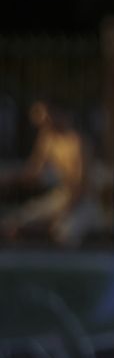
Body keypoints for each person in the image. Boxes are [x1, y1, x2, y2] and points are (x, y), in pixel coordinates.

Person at [1, 100, 94, 247]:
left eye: (45, 120)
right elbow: (33, 172)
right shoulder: (48, 139)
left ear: (55, 114)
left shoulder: (77, 141)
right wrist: (9, 179)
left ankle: (37, 232)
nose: (43, 125)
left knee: (64, 234)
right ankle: (34, 231)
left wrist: (62, 213)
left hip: (83, 201)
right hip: (61, 196)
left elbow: (81, 186)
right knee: (16, 221)